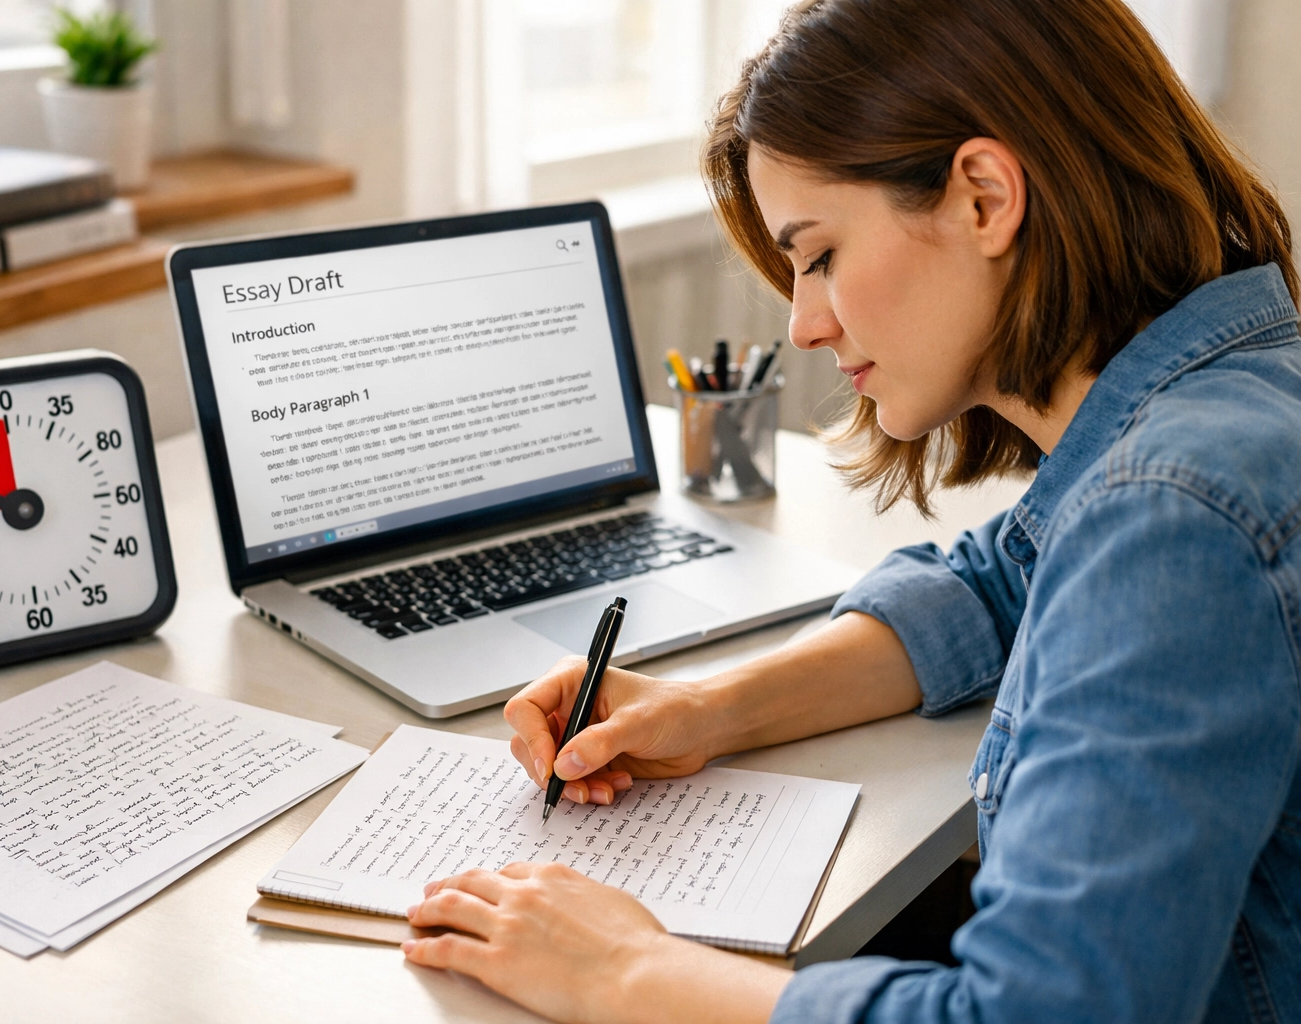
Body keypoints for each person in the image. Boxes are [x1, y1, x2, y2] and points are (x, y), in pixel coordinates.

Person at [398, 0, 1301, 1020]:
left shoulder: (1171, 514)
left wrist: (623, 970)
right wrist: (708, 708)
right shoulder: (1236, 391)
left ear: (984, 197)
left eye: (819, 254)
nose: (806, 322)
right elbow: (1004, 584)